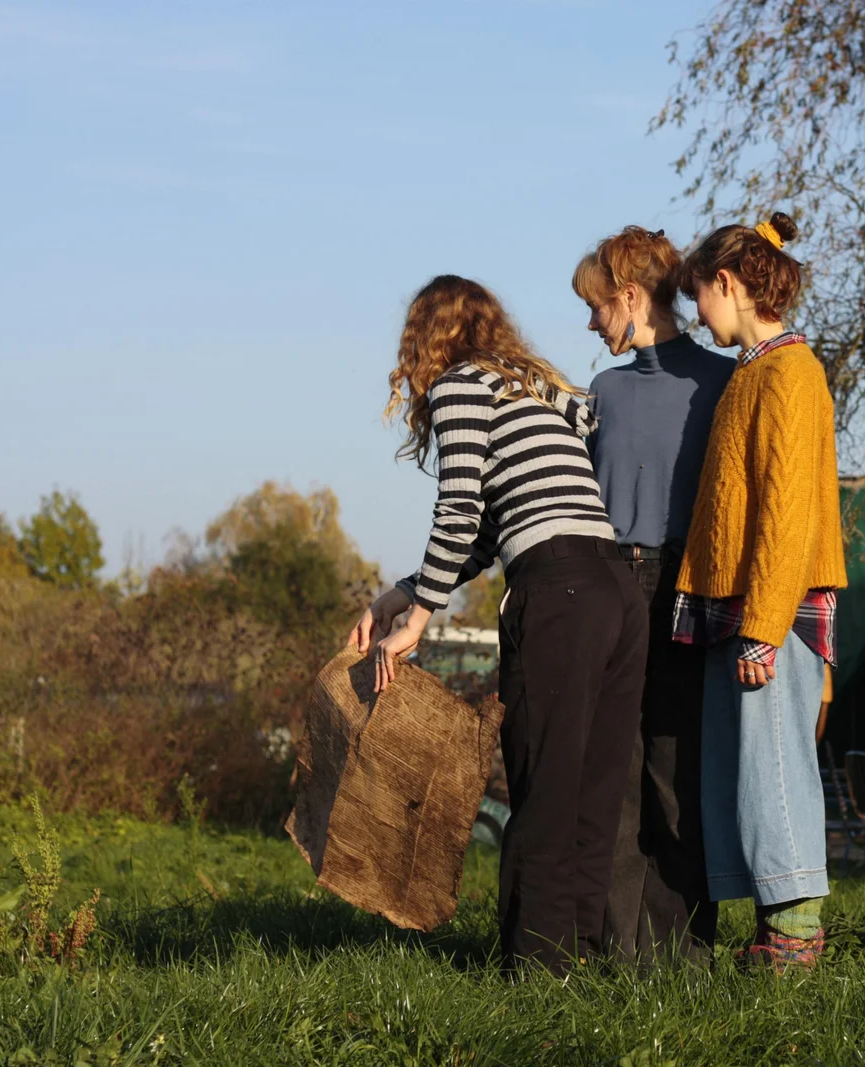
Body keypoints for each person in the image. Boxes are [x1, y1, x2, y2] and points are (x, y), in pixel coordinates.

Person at [349, 275, 647, 976]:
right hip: (616, 589)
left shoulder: (459, 385)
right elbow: (493, 527)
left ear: (429, 337)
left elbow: (457, 511)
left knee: (543, 791)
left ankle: (537, 974)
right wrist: (405, 591)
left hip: (560, 593)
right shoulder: (534, 387)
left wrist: (418, 621)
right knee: (590, 797)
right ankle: (579, 961)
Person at [672, 211, 847, 971]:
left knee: (775, 762)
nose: (696, 315)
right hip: (740, 605)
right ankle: (779, 931)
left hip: (771, 609)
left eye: (699, 298)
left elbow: (788, 509)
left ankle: (797, 937)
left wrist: (766, 625)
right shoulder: (754, 370)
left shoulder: (789, 372)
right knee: (748, 765)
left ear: (728, 283)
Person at [572, 225, 734, 960]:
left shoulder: (719, 382)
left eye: (597, 305)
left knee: (674, 774)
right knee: (610, 774)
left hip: (683, 589)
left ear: (631, 297)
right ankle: (613, 947)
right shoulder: (599, 391)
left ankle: (682, 955)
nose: (590, 320)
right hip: (608, 585)